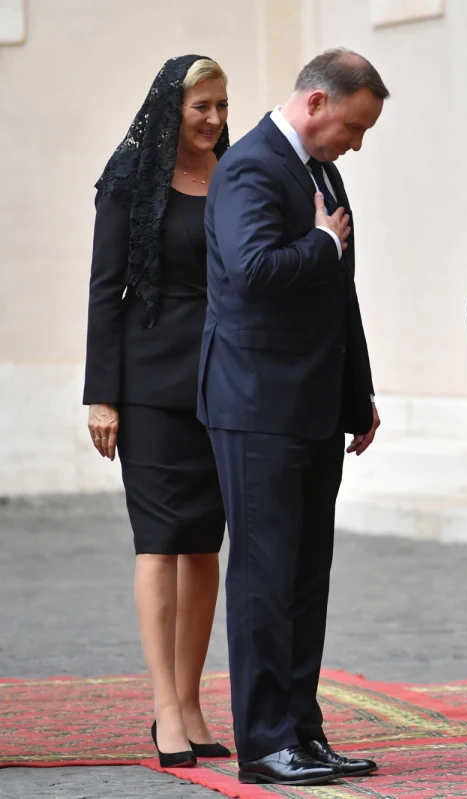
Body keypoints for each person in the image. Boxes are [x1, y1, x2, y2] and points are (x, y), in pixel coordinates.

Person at [200, 49, 386, 786]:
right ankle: (265, 740)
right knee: (264, 576)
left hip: (310, 403)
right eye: (354, 126)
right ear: (315, 103)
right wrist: (318, 241)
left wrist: (357, 393)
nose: (357, 143)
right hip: (258, 406)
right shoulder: (250, 166)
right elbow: (252, 271)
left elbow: (338, 297)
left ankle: (302, 731)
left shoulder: (319, 168)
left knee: (306, 576)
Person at [84, 54, 232, 769]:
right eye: (200, 105)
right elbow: (103, 290)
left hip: (221, 384)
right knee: (160, 542)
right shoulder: (127, 181)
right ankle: (163, 707)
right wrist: (101, 394)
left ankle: (193, 699)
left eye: (221, 106)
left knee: (205, 542)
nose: (212, 119)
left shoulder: (234, 178)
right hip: (146, 387)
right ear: (170, 106)